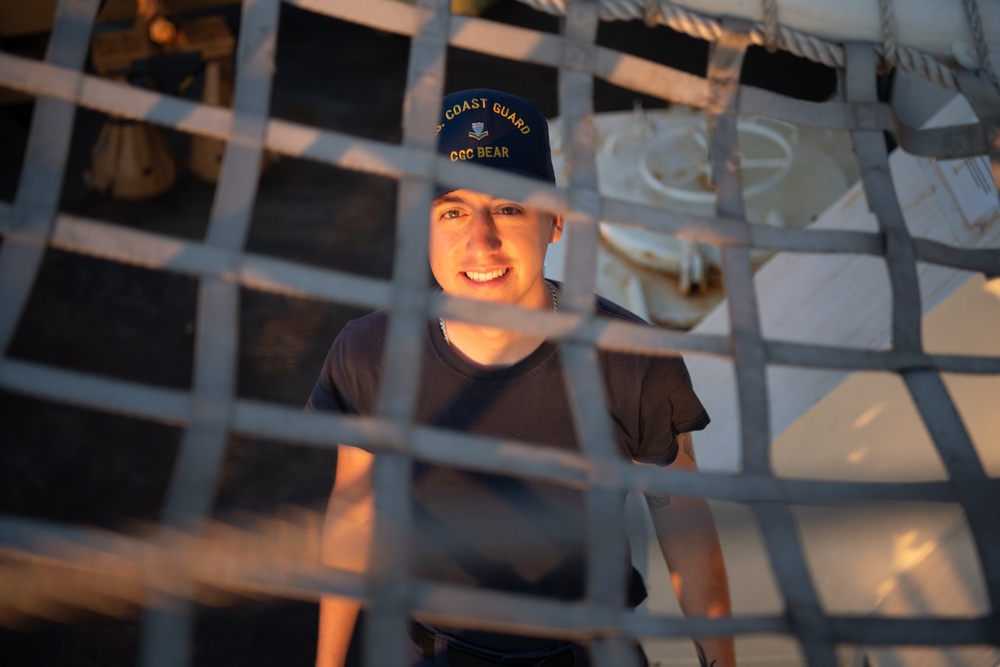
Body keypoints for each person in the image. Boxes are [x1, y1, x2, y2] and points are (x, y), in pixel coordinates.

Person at [308, 89, 735, 667]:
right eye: (452, 211)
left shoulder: (629, 358)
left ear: (555, 220)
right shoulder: (371, 354)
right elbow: (355, 513)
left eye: (508, 207)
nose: (481, 242)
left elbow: (682, 519)